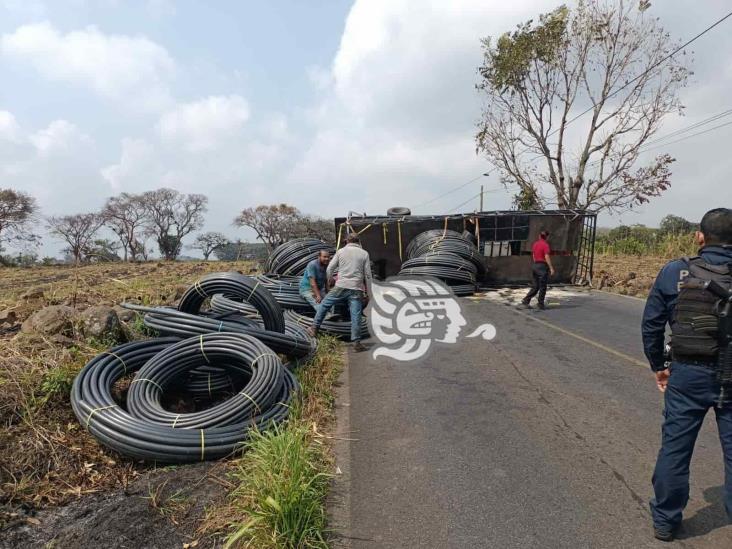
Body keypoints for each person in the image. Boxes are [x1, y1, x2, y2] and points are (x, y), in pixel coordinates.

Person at [643, 208, 732, 542]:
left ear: (700, 236)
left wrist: (658, 366)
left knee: (675, 449)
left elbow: (651, 324)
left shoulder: (674, 272)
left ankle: (666, 522)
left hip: (688, 374)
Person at [310, 233, 372, 352]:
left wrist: (330, 281)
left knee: (324, 305)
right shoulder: (364, 253)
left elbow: (329, 269)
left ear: (346, 241)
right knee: (356, 315)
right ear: (358, 241)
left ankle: (314, 328)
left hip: (341, 286)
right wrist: (368, 293)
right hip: (356, 288)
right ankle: (357, 343)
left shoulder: (341, 252)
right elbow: (368, 275)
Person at [521, 230, 555, 310]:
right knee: (543, 286)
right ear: (547, 237)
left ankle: (526, 300)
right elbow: (546, 256)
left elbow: (533, 255)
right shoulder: (546, 245)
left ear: (539, 236)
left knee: (535, 286)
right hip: (542, 267)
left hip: (535, 265)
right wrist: (551, 268)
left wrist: (536, 263)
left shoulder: (535, 244)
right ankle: (540, 304)